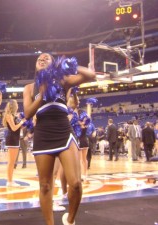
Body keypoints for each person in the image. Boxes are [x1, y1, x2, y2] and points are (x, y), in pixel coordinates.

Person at [23, 53, 96, 225]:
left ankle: (69, 220)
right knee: (45, 185)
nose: (42, 59)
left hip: (64, 130)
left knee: (76, 183)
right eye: (39, 58)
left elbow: (90, 75)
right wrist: (41, 94)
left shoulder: (63, 80)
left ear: (53, 64)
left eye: (46, 58)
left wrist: (68, 66)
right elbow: (27, 113)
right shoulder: (29, 88)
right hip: (43, 133)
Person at [2, 99, 26, 187]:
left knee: (13, 162)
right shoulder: (9, 115)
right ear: (13, 106)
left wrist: (24, 124)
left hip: (15, 138)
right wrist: (22, 122)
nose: (18, 105)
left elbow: (18, 128)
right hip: (12, 139)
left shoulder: (14, 115)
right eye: (16, 104)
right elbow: (13, 128)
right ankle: (9, 181)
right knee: (11, 162)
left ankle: (11, 180)